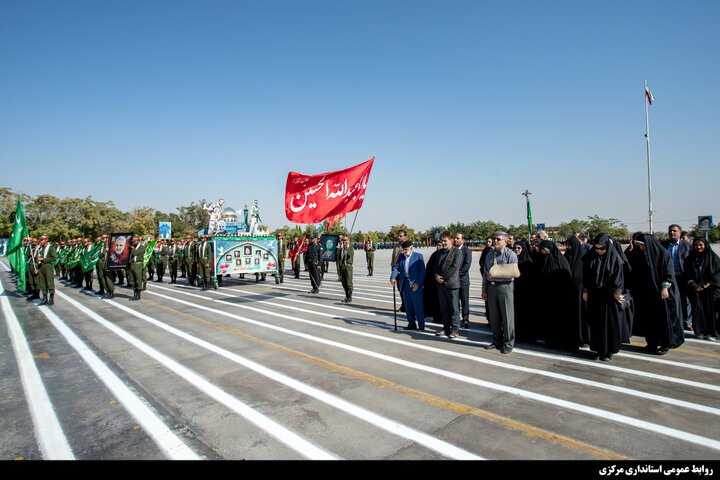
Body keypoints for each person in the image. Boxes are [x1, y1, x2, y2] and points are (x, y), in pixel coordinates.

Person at [627, 233, 684, 355]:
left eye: (641, 245)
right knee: (649, 320)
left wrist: (664, 288)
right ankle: (652, 343)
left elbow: (668, 273)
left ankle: (665, 344)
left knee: (663, 319)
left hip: (662, 293)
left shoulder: (662, 254)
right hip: (648, 294)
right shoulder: (641, 254)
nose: (640, 247)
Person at [582, 233, 625, 361]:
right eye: (597, 248)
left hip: (609, 297)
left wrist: (617, 292)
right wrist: (585, 291)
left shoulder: (614, 259)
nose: (599, 251)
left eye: (602, 248)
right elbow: (586, 276)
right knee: (596, 323)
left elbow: (618, 278)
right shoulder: (590, 257)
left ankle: (609, 351)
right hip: (595, 295)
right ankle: (598, 348)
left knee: (609, 324)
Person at [482, 231, 519, 353]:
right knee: (494, 316)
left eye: (498, 239)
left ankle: (508, 343)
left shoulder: (510, 255)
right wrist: (484, 290)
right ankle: (496, 340)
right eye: (494, 239)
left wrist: (497, 274)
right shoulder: (489, 255)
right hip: (491, 287)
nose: (495, 241)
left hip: (505, 287)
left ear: (505, 241)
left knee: (507, 316)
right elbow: (485, 274)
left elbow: (512, 273)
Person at [535, 240, 575, 349]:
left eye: (546, 251)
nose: (543, 254)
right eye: (542, 251)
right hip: (545, 297)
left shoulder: (560, 262)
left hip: (559, 297)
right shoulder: (539, 261)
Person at [684, 237, 720, 341]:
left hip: (711, 290)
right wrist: (694, 284)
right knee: (698, 311)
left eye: (700, 245)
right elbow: (687, 273)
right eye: (696, 245)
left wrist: (706, 284)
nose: (698, 247)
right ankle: (700, 331)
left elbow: (717, 273)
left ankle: (712, 333)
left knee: (712, 312)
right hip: (696, 290)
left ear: (705, 245)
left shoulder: (713, 258)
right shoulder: (690, 258)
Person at [661, 224, 693, 331]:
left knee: (685, 299)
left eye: (674, 231)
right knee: (671, 299)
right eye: (670, 231)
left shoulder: (687, 246)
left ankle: (687, 321)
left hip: (682, 276)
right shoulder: (663, 245)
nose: (672, 233)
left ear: (680, 233)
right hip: (669, 278)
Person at [391, 240, 426, 330]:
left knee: (417, 306)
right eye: (403, 249)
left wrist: (418, 283)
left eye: (406, 249)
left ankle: (421, 325)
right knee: (408, 306)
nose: (404, 251)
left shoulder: (418, 256)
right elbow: (396, 267)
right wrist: (393, 277)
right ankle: (411, 323)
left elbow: (422, 272)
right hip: (405, 283)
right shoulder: (401, 256)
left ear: (411, 248)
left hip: (414, 283)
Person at [435, 231, 463, 339]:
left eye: (445, 240)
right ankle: (446, 328)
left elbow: (455, 267)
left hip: (452, 284)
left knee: (454, 308)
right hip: (441, 285)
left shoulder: (457, 252)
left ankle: (455, 329)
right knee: (444, 308)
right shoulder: (440, 252)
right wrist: (436, 276)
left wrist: (443, 277)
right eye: (442, 240)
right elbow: (436, 266)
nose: (443, 242)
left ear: (451, 241)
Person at [564, 236, 591, 347]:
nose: (568, 248)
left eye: (570, 245)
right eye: (567, 245)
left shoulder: (584, 260)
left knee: (582, 317)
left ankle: (585, 338)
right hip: (569, 293)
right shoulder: (566, 257)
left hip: (581, 294)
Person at [512, 240, 537, 343]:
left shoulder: (528, 262)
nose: (517, 250)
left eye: (519, 248)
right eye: (515, 248)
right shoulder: (513, 260)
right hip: (516, 291)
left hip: (526, 292)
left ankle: (528, 335)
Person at [423, 240, 443, 326]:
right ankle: (435, 316)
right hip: (432, 282)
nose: (438, 247)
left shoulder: (444, 255)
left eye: (440, 245)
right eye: (437, 245)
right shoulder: (434, 255)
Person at [455, 232, 472, 328]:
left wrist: (456, 274)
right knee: (455, 301)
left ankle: (465, 319)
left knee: (465, 301)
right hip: (453, 281)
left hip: (463, 280)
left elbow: (467, 265)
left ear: (463, 240)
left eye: (458, 238)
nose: (456, 240)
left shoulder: (467, 251)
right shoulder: (452, 250)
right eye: (455, 238)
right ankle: (456, 318)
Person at [35, 235, 57, 306]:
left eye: (42, 239)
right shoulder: (40, 248)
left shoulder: (51, 248)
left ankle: (51, 299)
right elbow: (37, 258)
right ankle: (44, 298)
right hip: (41, 266)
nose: (41, 241)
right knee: (42, 283)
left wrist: (43, 259)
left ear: (46, 240)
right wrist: (37, 268)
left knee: (49, 282)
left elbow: (54, 258)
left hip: (48, 266)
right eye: (40, 239)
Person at [392, 230, 408, 312]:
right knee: (400, 289)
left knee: (405, 290)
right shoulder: (396, 246)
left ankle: (406, 306)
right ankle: (404, 305)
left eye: (400, 236)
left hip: (404, 273)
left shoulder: (408, 246)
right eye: (398, 235)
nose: (398, 237)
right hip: (396, 272)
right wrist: (392, 274)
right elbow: (393, 259)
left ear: (405, 237)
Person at [128, 236, 145, 301]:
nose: (133, 243)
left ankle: (138, 295)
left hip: (138, 265)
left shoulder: (142, 247)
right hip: (132, 264)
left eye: (134, 241)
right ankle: (135, 294)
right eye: (132, 242)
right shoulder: (132, 247)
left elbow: (135, 253)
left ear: (138, 241)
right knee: (132, 280)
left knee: (138, 280)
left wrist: (132, 249)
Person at [337, 236, 354, 302]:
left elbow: (349, 255)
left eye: (345, 240)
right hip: (343, 266)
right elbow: (339, 257)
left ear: (348, 241)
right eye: (343, 240)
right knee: (344, 282)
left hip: (348, 266)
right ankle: (346, 296)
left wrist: (347, 247)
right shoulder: (342, 249)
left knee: (348, 282)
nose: (343, 242)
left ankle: (350, 297)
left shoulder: (350, 248)